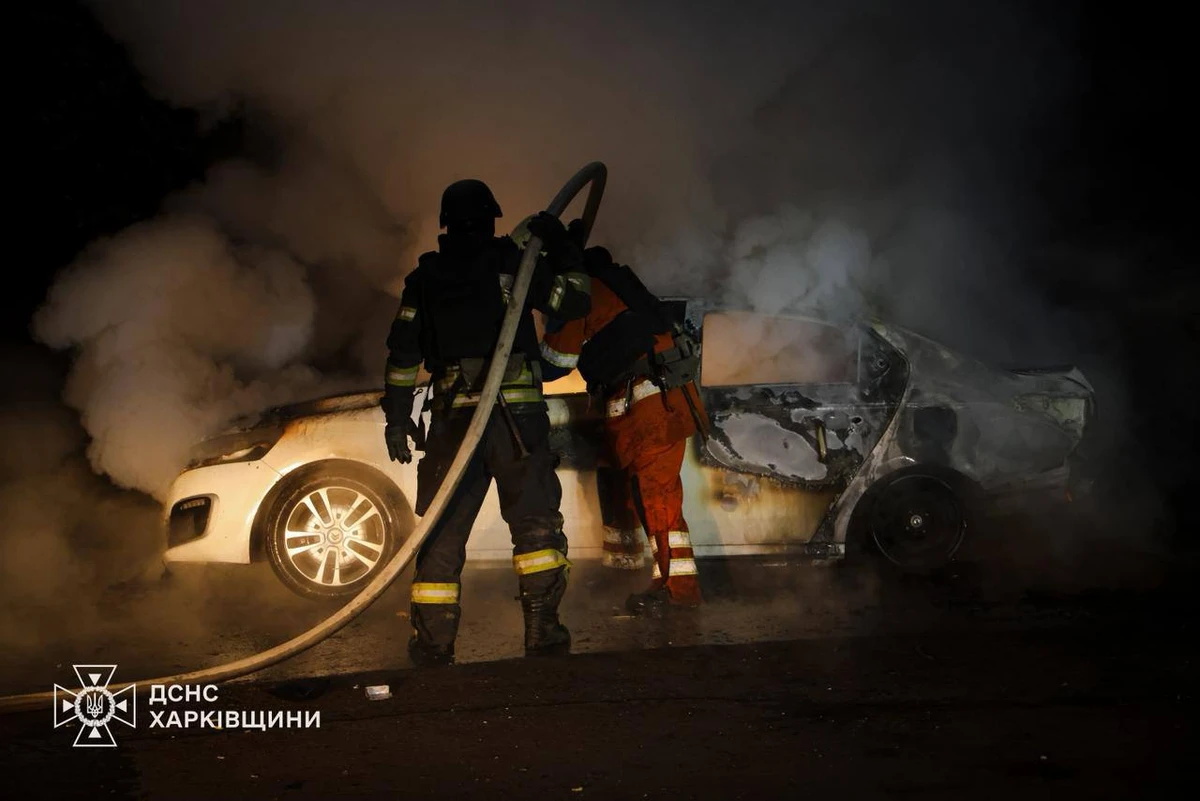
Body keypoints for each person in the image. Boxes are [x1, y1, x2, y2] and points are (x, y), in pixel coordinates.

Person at [381, 179, 591, 665]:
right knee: (535, 526)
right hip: (516, 421)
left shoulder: (426, 278)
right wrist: (562, 249)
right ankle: (542, 630)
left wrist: (396, 418)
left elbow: (402, 355)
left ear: (446, 223)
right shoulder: (512, 263)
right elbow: (574, 301)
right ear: (493, 218)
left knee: (441, 532)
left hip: (454, 421)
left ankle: (433, 644)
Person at [528, 224, 708, 618]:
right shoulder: (608, 282)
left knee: (656, 496)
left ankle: (679, 590)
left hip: (653, 405)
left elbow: (557, 361)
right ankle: (624, 569)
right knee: (621, 489)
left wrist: (516, 364)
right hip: (634, 403)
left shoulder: (581, 292)